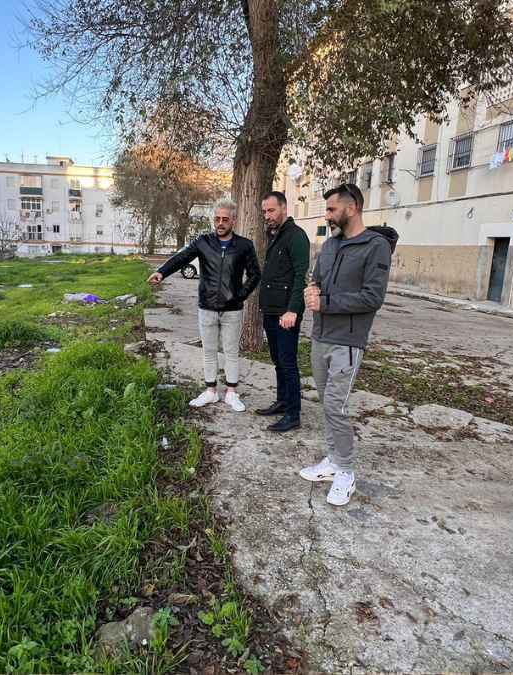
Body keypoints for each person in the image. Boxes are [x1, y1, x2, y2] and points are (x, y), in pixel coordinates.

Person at [300, 184, 397, 506]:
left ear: (351, 208)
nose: (327, 215)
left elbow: (373, 297)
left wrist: (325, 302)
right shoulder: (330, 245)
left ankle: (346, 471)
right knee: (325, 403)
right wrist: (311, 290)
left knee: (336, 407)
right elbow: (316, 279)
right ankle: (333, 459)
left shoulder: (375, 247)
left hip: (348, 342)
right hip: (320, 336)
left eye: (331, 209)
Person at [149, 198, 261, 411]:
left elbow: (255, 274)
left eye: (225, 219)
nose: (220, 223)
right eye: (217, 219)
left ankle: (231, 393)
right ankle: (211, 392)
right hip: (207, 307)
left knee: (231, 352)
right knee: (209, 351)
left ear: (233, 220)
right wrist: (162, 272)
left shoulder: (244, 245)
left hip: (232, 310)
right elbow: (181, 258)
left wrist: (240, 296)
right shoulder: (203, 242)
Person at [255, 190, 310, 433]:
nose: (267, 215)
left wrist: (292, 310)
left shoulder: (296, 236)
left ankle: (293, 414)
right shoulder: (275, 235)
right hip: (271, 310)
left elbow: (300, 276)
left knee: (288, 363)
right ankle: (282, 401)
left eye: (271, 210)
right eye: (264, 211)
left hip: (286, 314)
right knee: (277, 360)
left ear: (284, 209)